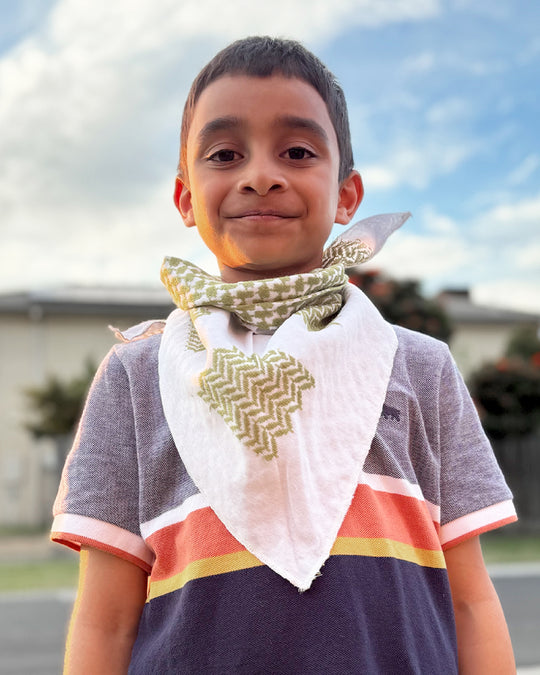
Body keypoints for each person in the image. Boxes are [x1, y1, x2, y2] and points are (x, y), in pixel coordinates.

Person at [52, 36, 517, 674]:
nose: (260, 174)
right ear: (186, 198)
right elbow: (106, 621)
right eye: (225, 154)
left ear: (347, 195)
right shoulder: (137, 376)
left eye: (297, 151)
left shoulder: (420, 366)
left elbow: (469, 602)